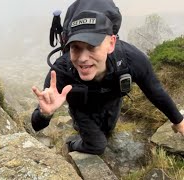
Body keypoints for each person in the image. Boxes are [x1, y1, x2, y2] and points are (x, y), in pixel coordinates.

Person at [31, 1, 184, 155]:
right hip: (81, 106)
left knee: (107, 132)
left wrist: (179, 121)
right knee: (96, 145)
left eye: (92, 46)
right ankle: (71, 145)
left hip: (112, 99)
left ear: (111, 43)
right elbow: (37, 125)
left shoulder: (130, 59)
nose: (83, 58)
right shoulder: (61, 70)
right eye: (75, 47)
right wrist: (45, 113)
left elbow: (155, 91)